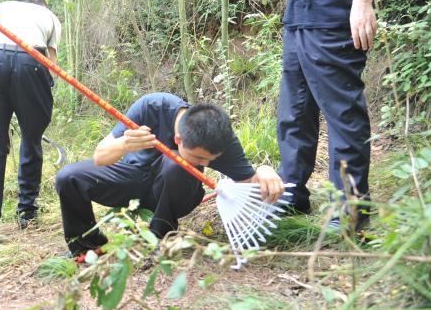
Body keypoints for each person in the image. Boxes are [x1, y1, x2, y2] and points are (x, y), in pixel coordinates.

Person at [277, 0, 390, 230]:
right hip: (299, 26)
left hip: (330, 25)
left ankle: (352, 211)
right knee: (294, 117)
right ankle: (292, 195)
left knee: (343, 117)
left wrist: (362, 1)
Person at [55, 93, 286, 259]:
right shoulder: (151, 107)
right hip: (130, 180)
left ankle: (159, 236)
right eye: (200, 158)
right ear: (178, 139)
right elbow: (100, 157)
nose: (206, 164)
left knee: (177, 165)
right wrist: (125, 143)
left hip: (177, 194)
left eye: (211, 160)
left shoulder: (220, 140)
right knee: (68, 177)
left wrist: (265, 171)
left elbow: (250, 182)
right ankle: (87, 246)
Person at [0, 0, 61, 244]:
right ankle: (27, 213)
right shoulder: (49, 15)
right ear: (42, 4)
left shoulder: (2, 8)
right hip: (31, 60)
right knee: (32, 139)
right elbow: (52, 64)